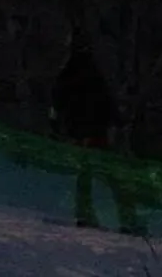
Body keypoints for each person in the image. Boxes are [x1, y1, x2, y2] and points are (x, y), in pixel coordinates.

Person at [50, 24, 141, 233]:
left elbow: (58, 101)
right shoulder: (84, 70)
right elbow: (102, 99)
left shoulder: (70, 70)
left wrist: (58, 125)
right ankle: (126, 220)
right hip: (93, 132)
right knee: (110, 177)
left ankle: (87, 216)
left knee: (88, 176)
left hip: (84, 132)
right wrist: (117, 120)